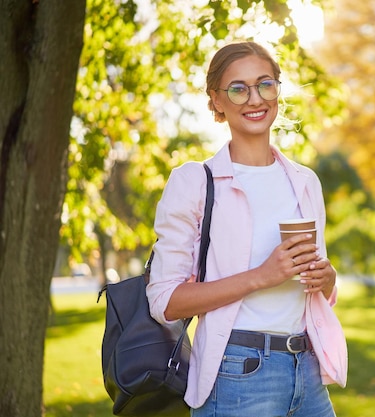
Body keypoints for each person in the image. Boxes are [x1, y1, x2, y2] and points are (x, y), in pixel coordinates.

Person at [146, 41, 347, 417]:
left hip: (307, 370)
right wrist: (261, 276)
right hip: (238, 373)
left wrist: (327, 277)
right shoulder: (195, 182)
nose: (255, 99)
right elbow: (165, 302)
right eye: (238, 88)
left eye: (265, 84)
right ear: (217, 101)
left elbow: (317, 289)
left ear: (277, 90)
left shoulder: (305, 181)